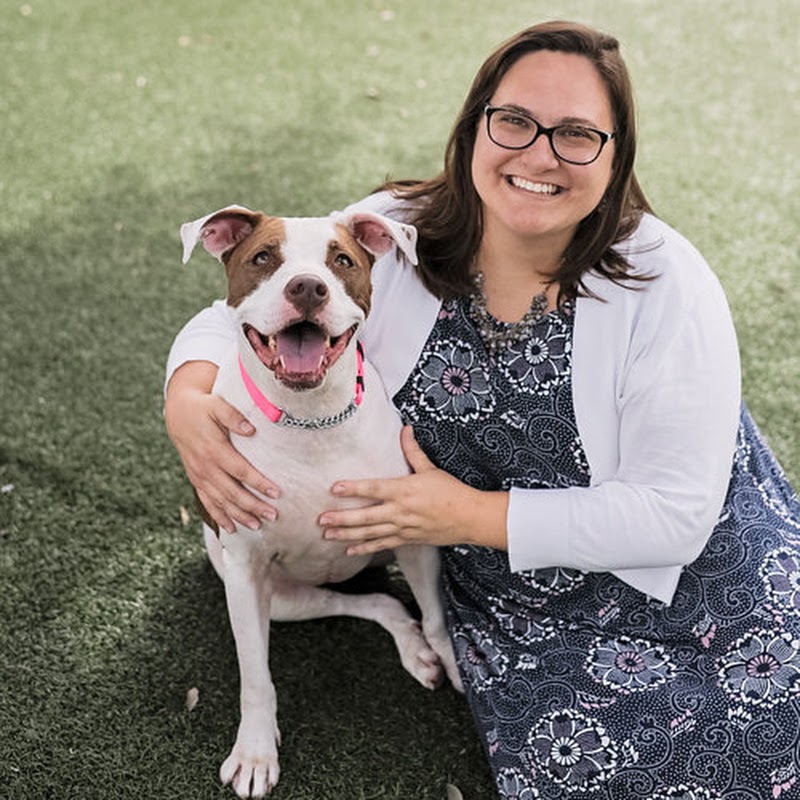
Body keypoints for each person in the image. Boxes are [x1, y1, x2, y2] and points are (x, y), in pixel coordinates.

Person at [164, 20, 800, 799]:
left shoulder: (666, 280)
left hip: (694, 568)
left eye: (576, 135)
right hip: (516, 598)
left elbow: (674, 516)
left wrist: (460, 516)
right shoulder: (399, 228)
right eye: (514, 122)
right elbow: (268, 283)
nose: (538, 155)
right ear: (473, 130)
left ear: (617, 155)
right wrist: (187, 396)